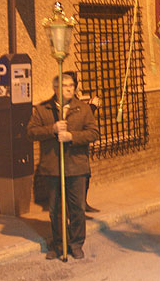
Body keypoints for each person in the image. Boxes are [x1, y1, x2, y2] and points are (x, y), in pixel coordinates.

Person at [27, 73, 99, 260]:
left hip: (76, 167)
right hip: (53, 168)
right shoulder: (43, 109)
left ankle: (76, 244)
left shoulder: (83, 109)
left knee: (76, 208)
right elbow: (31, 132)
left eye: (71, 85)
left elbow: (93, 133)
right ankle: (59, 243)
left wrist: (72, 137)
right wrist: (51, 130)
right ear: (56, 88)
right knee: (56, 210)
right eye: (65, 85)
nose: (69, 88)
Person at [63, 71, 100, 214]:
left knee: (85, 176)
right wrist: (92, 107)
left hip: (79, 147)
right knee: (76, 179)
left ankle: (82, 204)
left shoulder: (76, 99)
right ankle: (75, 209)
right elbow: (75, 121)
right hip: (72, 149)